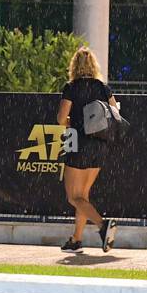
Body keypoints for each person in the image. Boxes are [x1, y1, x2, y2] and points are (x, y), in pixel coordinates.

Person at [57, 45, 120, 253]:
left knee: (73, 197)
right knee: (83, 195)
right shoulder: (103, 87)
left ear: (74, 65)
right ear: (94, 65)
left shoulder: (72, 87)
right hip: (100, 145)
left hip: (78, 144)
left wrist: (73, 123)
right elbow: (115, 113)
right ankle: (76, 239)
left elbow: (60, 119)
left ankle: (103, 226)